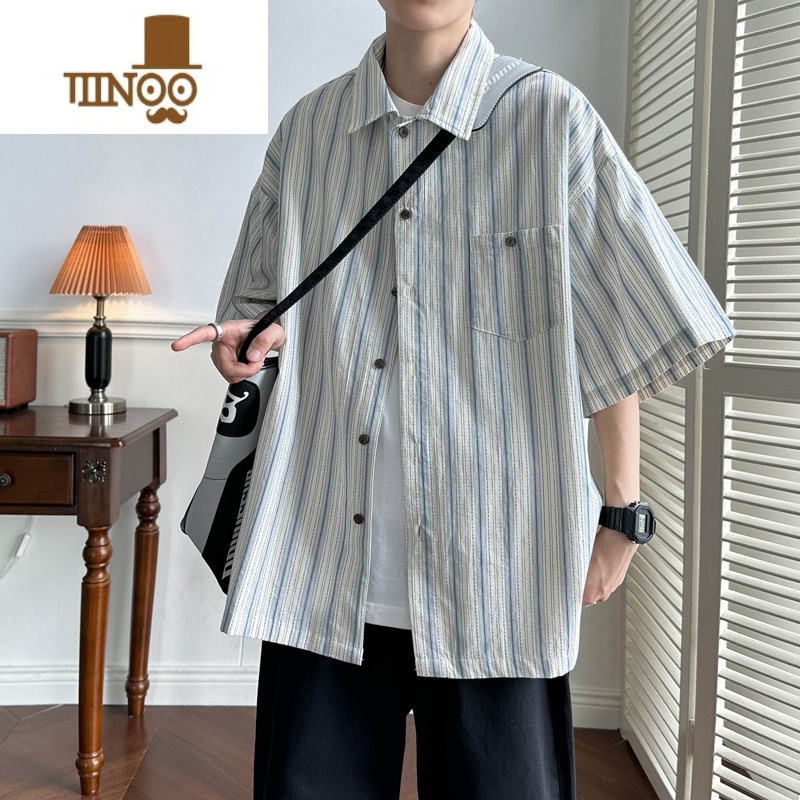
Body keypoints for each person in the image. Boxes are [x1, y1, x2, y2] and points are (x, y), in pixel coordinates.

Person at [173, 1, 736, 797]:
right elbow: (259, 310)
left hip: (498, 573)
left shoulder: (552, 120)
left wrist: (621, 513)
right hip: (319, 559)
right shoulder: (308, 132)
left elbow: (615, 329)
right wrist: (247, 344)